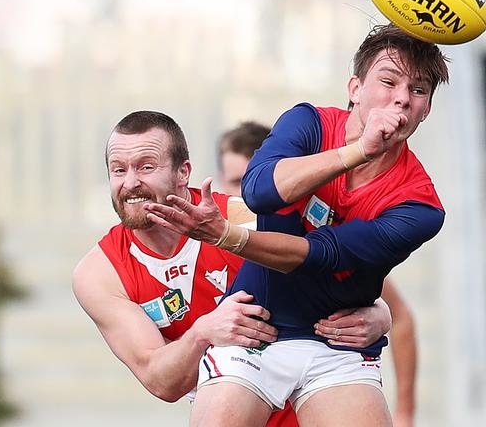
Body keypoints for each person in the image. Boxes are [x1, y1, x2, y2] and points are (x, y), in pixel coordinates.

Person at [145, 23, 449, 427]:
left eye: (418, 90)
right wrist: (357, 151)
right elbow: (259, 192)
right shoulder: (307, 124)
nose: (401, 100)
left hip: (338, 347)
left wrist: (226, 236)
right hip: (253, 331)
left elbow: (322, 256)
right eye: (388, 81)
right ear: (355, 88)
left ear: (426, 109)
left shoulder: (421, 206)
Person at [72, 111, 393, 426]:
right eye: (118, 170)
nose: (130, 183)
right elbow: (161, 381)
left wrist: (380, 315)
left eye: (146, 167)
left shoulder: (245, 220)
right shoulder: (100, 273)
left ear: (184, 173)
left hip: (312, 405)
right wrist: (203, 332)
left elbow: (343, 276)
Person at [217, 121, 419, 427]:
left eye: (254, 180)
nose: (247, 194)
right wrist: (202, 331)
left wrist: (404, 412)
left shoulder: (306, 244)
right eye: (235, 182)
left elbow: (396, 314)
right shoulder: (207, 245)